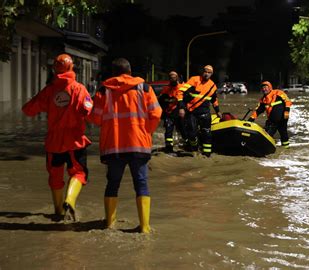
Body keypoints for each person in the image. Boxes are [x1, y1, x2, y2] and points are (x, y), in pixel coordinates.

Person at [87, 58, 162, 233]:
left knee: (112, 184)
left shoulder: (104, 90)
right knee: (141, 183)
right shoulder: (145, 88)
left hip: (113, 147)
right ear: (130, 71)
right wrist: (147, 132)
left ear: (113, 73)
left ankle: (109, 224)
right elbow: (156, 113)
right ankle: (144, 227)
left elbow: (95, 118)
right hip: (139, 145)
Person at [22, 53, 93, 221]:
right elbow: (88, 110)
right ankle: (70, 200)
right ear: (71, 67)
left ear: (54, 69)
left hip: (54, 143)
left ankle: (58, 212)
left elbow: (28, 110)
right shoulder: (79, 88)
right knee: (79, 173)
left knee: (55, 176)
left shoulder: (49, 90)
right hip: (75, 141)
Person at [181, 65, 221, 156]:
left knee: (207, 133)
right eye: (205, 72)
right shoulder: (194, 80)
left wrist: (218, 111)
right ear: (202, 72)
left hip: (205, 113)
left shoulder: (213, 86)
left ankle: (207, 154)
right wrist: (181, 107)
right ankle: (194, 149)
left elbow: (214, 99)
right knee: (192, 134)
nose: (207, 74)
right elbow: (182, 92)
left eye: (209, 72)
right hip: (192, 112)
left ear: (212, 74)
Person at [248, 81, 292, 148]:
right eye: (263, 88)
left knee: (283, 134)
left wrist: (286, 111)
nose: (264, 89)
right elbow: (258, 111)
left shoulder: (278, 93)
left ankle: (285, 149)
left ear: (270, 87)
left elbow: (287, 101)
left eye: (265, 87)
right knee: (267, 135)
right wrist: (250, 119)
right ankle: (267, 148)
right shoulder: (263, 100)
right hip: (272, 121)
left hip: (282, 118)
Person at [158, 71, 186, 153]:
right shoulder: (166, 89)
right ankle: (169, 148)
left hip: (179, 113)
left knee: (183, 130)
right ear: (169, 79)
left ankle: (187, 145)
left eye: (174, 77)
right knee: (168, 131)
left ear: (177, 78)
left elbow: (185, 100)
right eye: (171, 77)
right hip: (169, 113)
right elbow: (161, 100)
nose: (173, 79)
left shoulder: (182, 87)